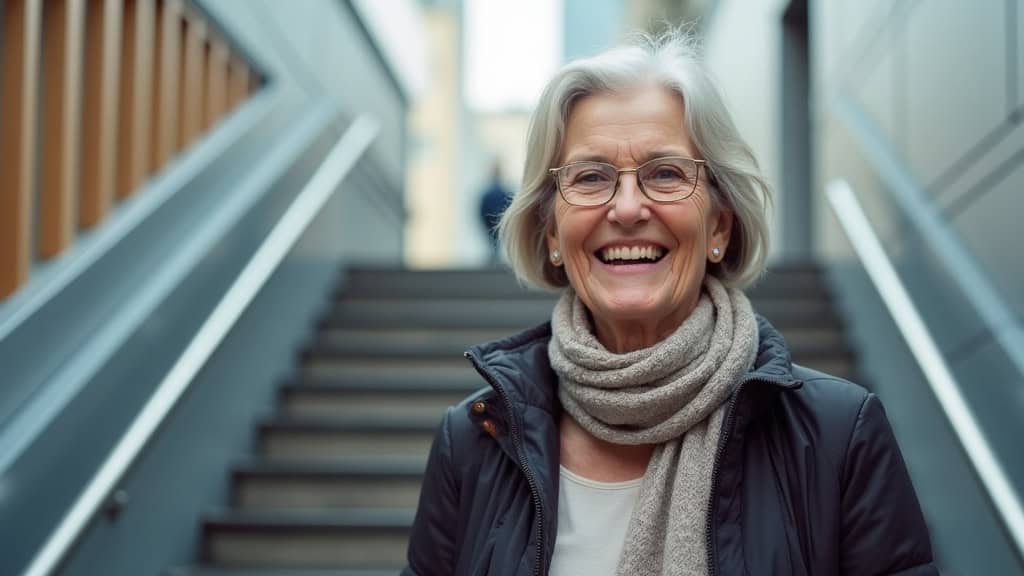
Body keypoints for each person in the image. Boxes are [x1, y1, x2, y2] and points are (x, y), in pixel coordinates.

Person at [404, 29, 936, 576]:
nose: (627, 208)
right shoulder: (473, 441)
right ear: (552, 235)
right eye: (591, 177)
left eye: (665, 174)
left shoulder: (839, 435)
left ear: (719, 228)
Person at [479, 162, 511, 262]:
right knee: (495, 243)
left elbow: (482, 211)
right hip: (497, 223)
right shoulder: (504, 192)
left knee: (493, 243)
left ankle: (494, 258)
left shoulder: (489, 194)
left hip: (492, 224)